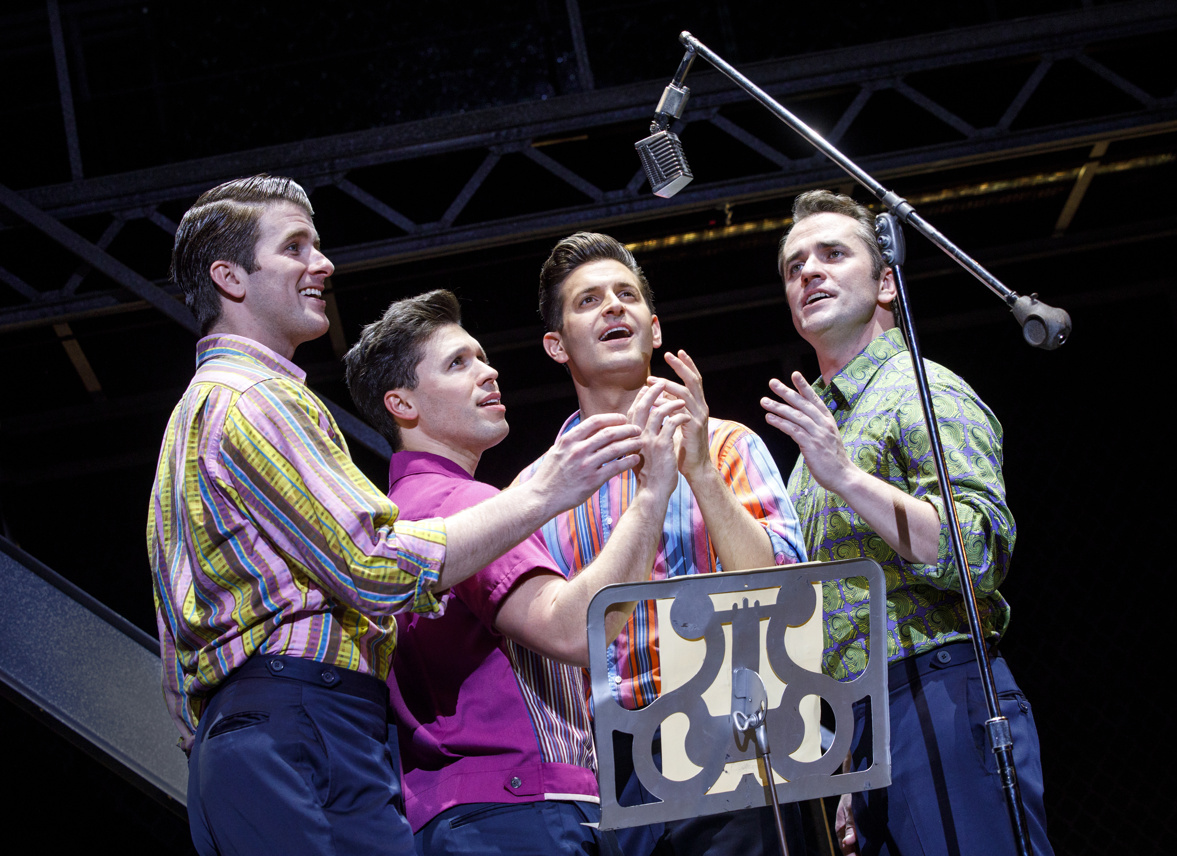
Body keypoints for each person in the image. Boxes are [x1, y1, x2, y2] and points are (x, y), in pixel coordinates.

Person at [147, 176, 650, 856]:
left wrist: (226, 731)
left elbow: (176, 657)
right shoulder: (257, 401)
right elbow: (372, 565)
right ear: (230, 277)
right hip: (311, 726)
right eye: (295, 247)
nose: (322, 265)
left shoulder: (192, 416)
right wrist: (549, 491)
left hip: (252, 734)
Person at [342, 288, 688, 855]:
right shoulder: (455, 504)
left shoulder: (408, 507)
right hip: (518, 814)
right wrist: (652, 495)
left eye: (481, 356)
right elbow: (575, 628)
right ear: (402, 404)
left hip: (466, 813)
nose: (488, 370)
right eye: (459, 363)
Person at [760, 190, 1053, 856]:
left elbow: (980, 551)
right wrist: (843, 774)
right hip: (863, 726)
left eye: (834, 254)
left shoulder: (922, 391)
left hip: (940, 692)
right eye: (795, 264)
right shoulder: (821, 442)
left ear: (886, 281)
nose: (810, 271)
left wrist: (849, 478)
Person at [516, 232, 808, 856]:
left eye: (626, 296)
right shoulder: (535, 490)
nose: (612, 307)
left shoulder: (728, 445)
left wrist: (698, 471)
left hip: (734, 743)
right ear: (556, 345)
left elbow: (784, 592)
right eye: (588, 300)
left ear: (654, 329)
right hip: (607, 764)